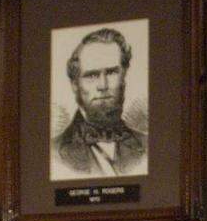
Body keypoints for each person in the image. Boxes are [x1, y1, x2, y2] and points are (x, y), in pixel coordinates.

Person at [53, 28, 148, 177]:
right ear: (75, 85)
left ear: (124, 77)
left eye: (111, 72)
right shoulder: (53, 152)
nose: (103, 85)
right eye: (92, 75)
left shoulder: (148, 147)